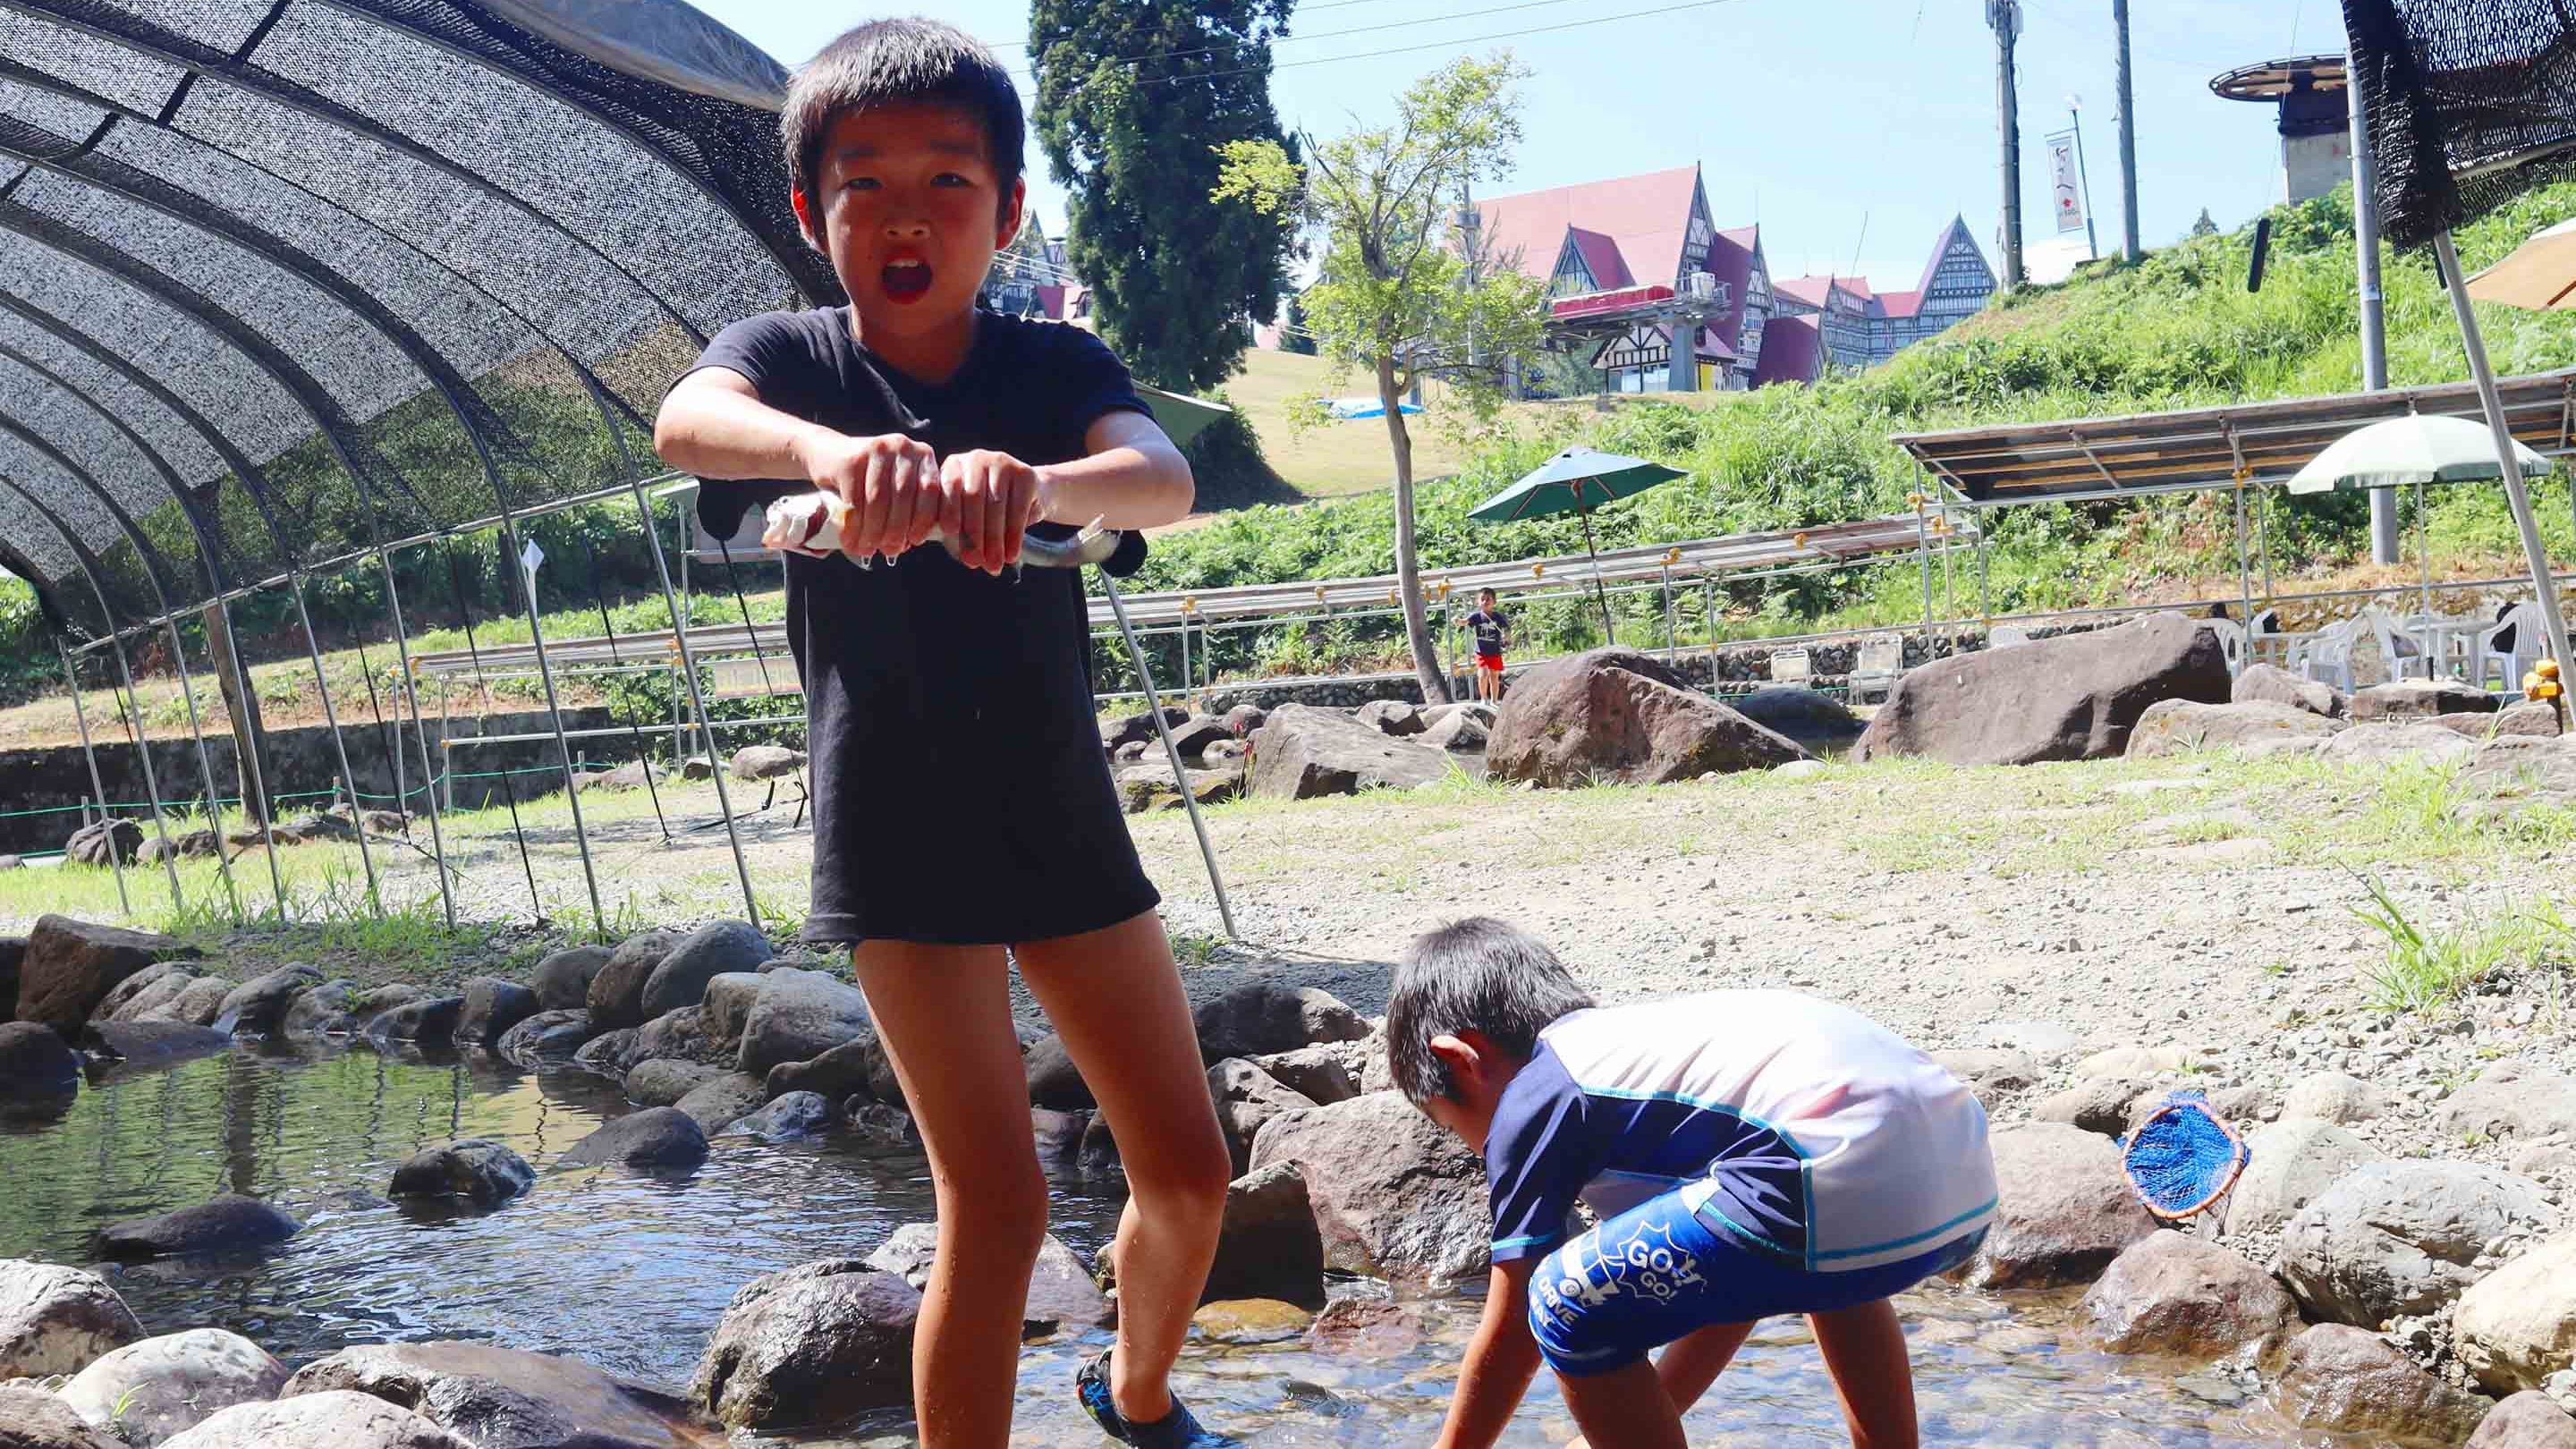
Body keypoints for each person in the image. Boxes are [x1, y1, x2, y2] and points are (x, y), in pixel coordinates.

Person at [652, 21, 1234, 1449]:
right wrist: (824, 454)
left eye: (949, 182)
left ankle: (1135, 1393)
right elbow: (686, 420)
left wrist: (1031, 484)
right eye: (863, 183)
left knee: (1190, 1172)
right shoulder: (787, 357)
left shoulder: (1050, 364)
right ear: (811, 213)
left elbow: (1158, 481)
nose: (906, 214)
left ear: (1010, 212)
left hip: (1058, 813)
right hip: (892, 829)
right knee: (996, 1198)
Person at [1385, 919, 1998, 1449]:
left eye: (1453, 1122)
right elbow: (1729, 1289)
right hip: (1959, 1170)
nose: (1478, 1150)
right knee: (1827, 1269)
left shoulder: (1539, 1093)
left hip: (1827, 1165)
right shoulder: (1636, 1055)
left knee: (1562, 1299)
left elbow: (1516, 1320)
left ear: (1464, 1059)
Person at [1465, 589, 1511, 702]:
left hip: (1495, 651)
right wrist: (1458, 621)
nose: (1485, 602)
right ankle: (1484, 698)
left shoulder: (1498, 616)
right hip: (1481, 652)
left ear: (1494, 601)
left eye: (1488, 599)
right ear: (1478, 602)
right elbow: (1465, 621)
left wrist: (1506, 636)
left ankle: (1494, 700)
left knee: (1494, 676)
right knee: (1483, 674)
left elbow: (1506, 628)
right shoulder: (1476, 616)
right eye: (1482, 599)